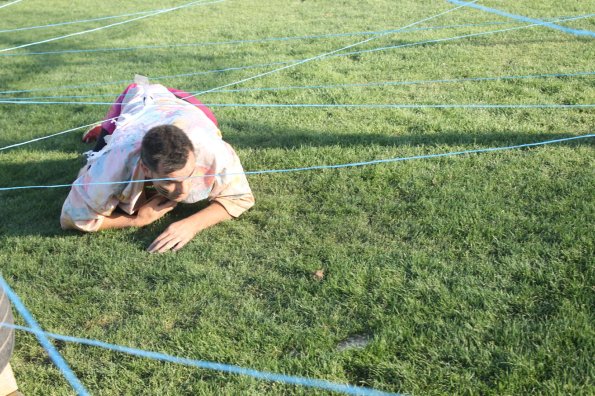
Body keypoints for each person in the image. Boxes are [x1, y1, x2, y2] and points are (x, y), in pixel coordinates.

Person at [61, 76, 255, 253]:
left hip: (188, 107)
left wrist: (191, 224)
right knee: (92, 159)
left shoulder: (211, 149)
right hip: (141, 100)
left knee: (209, 120)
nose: (183, 191)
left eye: (189, 175)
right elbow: (72, 217)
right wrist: (135, 220)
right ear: (146, 168)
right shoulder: (115, 162)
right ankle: (107, 127)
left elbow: (241, 197)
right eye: (170, 181)